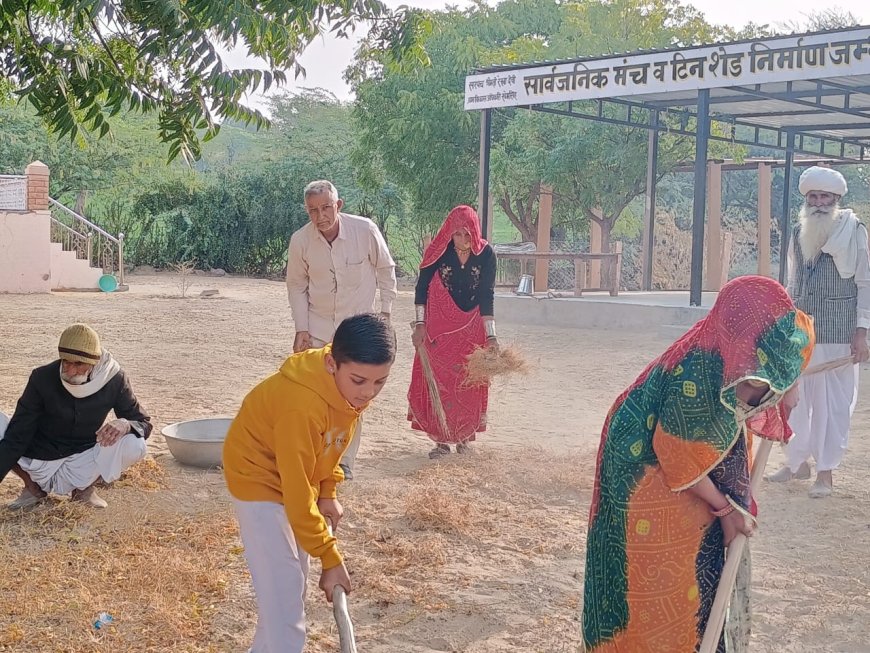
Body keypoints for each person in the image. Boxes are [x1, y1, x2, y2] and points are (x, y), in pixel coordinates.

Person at [582, 276, 814, 652]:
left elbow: (797, 343)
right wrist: (725, 510)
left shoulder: (762, 346)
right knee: (657, 579)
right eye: (756, 382)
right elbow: (677, 457)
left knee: (698, 568)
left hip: (686, 465)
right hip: (642, 467)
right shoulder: (698, 371)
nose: (758, 393)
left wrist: (787, 387)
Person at [222, 313, 396, 653]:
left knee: (287, 590)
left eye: (380, 382)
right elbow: (298, 493)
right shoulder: (301, 405)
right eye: (359, 381)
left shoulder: (344, 388)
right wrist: (331, 558)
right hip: (257, 476)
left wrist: (329, 491)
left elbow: (331, 442)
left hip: (292, 472)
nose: (368, 393)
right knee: (285, 598)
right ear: (332, 363)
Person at [766, 166, 870, 498]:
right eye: (813, 196)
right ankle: (796, 463)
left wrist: (862, 331)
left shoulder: (854, 232)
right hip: (801, 329)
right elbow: (791, 279)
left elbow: (865, 283)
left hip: (838, 330)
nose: (818, 202)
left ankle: (825, 473)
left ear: (837, 199)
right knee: (797, 398)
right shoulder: (798, 230)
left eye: (825, 196)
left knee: (830, 405)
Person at [286, 180, 397, 480]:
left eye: (325, 208)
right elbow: (296, 285)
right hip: (319, 327)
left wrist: (385, 313)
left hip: (358, 330)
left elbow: (386, 270)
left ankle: (344, 461)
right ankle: (315, 457)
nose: (320, 216)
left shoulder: (365, 230)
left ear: (339, 205)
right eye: (313, 211)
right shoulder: (301, 241)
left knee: (352, 395)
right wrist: (301, 329)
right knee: (315, 393)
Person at [0, 323, 152, 509]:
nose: (70, 371)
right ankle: (31, 488)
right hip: (38, 461)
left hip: (82, 464)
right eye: (65, 361)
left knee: (135, 443)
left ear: (94, 361)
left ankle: (84, 491)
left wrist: (126, 424)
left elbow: (143, 423)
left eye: (78, 364)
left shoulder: (114, 379)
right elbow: (17, 434)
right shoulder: (42, 377)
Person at [409, 205, 498, 459]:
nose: (463, 240)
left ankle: (463, 438)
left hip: (471, 328)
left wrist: (490, 334)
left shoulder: (486, 254)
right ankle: (441, 441)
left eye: (468, 234)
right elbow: (421, 289)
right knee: (441, 381)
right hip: (439, 327)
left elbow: (486, 295)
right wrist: (420, 324)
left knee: (467, 381)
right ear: (450, 232)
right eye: (458, 234)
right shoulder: (438, 252)